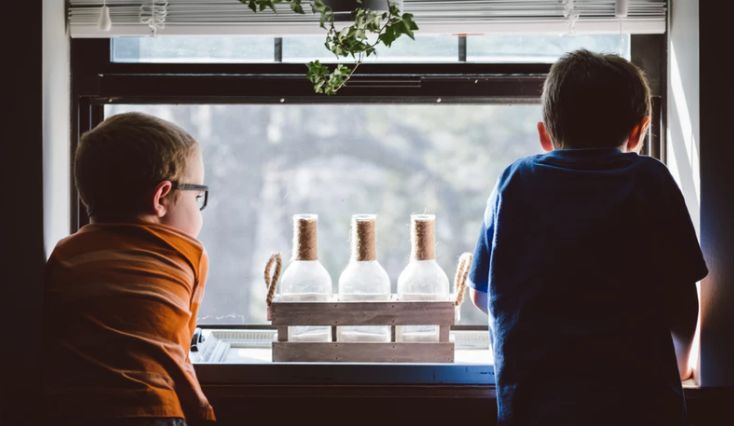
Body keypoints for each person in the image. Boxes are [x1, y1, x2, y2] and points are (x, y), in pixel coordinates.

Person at [468, 49, 707, 425]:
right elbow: (682, 300)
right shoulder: (650, 179)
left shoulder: (514, 181)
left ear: (545, 135)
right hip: (641, 405)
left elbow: (482, 295)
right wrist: (681, 363)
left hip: (534, 407)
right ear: (639, 131)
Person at [42, 112, 215, 426]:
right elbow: (176, 354)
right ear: (161, 197)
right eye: (197, 196)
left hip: (71, 409)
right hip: (152, 409)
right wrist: (203, 411)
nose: (199, 208)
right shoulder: (186, 254)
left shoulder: (65, 253)